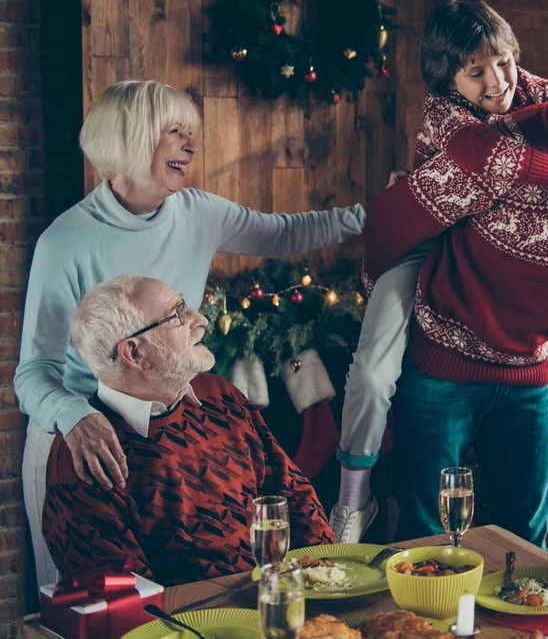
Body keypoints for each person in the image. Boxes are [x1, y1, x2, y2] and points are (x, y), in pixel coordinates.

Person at [333, 0, 548, 546]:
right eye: (476, 72)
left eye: (503, 62)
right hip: (415, 238)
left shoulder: (539, 94)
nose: (497, 80)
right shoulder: (447, 117)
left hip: (523, 354)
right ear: (448, 78)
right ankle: (350, 500)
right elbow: (492, 157)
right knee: (373, 371)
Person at [15, 80, 364, 585]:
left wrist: (382, 217)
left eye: (190, 133)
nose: (191, 145)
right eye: (173, 133)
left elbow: (288, 233)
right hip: (83, 439)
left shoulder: (197, 211)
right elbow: (34, 373)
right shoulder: (65, 242)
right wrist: (73, 418)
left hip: (173, 420)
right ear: (130, 138)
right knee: (92, 607)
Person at [43, 276, 333, 586]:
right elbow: (131, 603)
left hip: (282, 598)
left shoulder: (220, 395)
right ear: (135, 353)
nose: (200, 320)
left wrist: (326, 575)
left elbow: (292, 493)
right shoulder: (85, 461)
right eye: (178, 314)